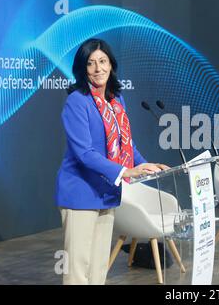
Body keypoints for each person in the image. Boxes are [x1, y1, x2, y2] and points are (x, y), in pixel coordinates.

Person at [55, 38, 167, 284]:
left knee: (97, 271)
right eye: (91, 63)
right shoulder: (77, 101)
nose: (98, 69)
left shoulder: (116, 101)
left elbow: (126, 144)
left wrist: (147, 166)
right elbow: (84, 153)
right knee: (78, 271)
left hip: (106, 192)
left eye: (103, 61)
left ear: (111, 65)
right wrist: (126, 171)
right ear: (83, 69)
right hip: (81, 194)